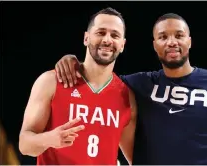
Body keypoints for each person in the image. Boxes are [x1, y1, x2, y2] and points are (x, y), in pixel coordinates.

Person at [54, 13, 207, 165]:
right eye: (163, 37)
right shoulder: (137, 84)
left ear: (190, 41)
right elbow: (97, 78)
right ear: (154, 45)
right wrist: (72, 61)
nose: (171, 42)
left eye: (179, 35)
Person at [19, 7, 137, 165]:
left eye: (114, 35)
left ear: (122, 45)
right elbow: (25, 145)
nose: (107, 40)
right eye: (101, 32)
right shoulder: (52, 81)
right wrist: (49, 139)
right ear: (86, 38)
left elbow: (135, 159)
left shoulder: (127, 96)